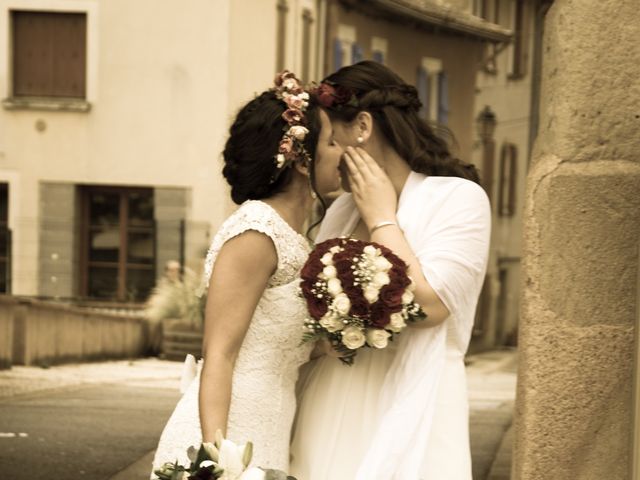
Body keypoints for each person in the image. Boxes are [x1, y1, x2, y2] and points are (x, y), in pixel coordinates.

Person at [290, 61, 491, 479]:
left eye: (329, 137)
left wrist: (383, 218)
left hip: (414, 394)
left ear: (362, 126)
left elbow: (431, 306)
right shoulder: (342, 212)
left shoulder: (458, 199)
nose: (320, 155)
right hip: (333, 397)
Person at [149, 71, 343, 476]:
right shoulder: (257, 230)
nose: (342, 151)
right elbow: (219, 354)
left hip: (269, 433)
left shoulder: (297, 240)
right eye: (331, 142)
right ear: (302, 160)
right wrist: (219, 464)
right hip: (229, 440)